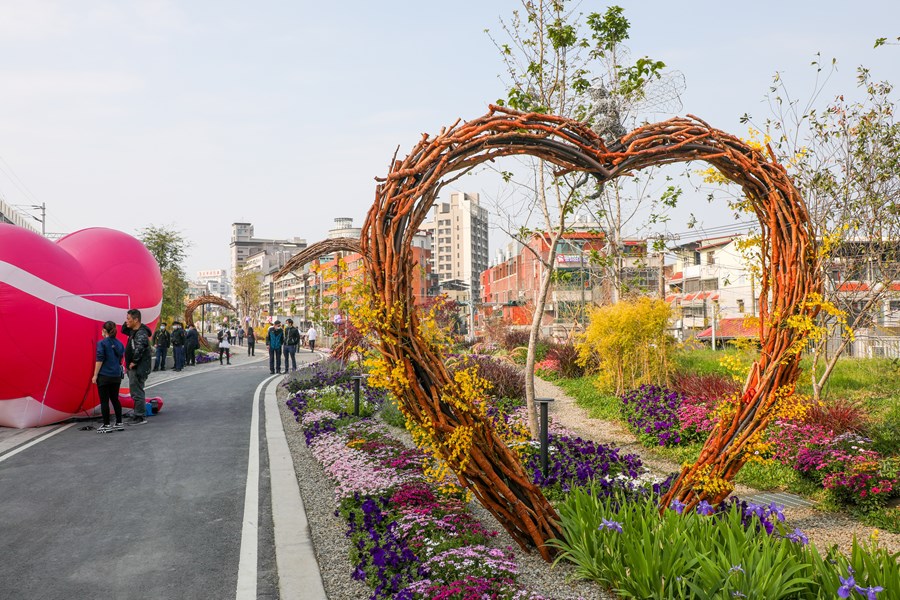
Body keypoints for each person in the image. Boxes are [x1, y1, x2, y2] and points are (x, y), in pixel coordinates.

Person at [92, 320, 125, 433]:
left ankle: (106, 425)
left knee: (104, 401)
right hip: (116, 375)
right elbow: (120, 358)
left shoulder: (102, 343)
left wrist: (95, 375)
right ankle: (119, 423)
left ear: (104, 331)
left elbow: (99, 359)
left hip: (104, 375)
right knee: (115, 399)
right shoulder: (119, 344)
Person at [123, 309, 152, 425]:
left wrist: (133, 362)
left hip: (138, 368)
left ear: (136, 320)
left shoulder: (141, 333)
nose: (126, 321)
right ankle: (137, 412)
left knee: (137, 392)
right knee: (135, 391)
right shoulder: (133, 331)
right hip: (133, 367)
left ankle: (140, 416)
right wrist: (128, 323)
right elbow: (123, 329)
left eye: (129, 319)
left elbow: (140, 348)